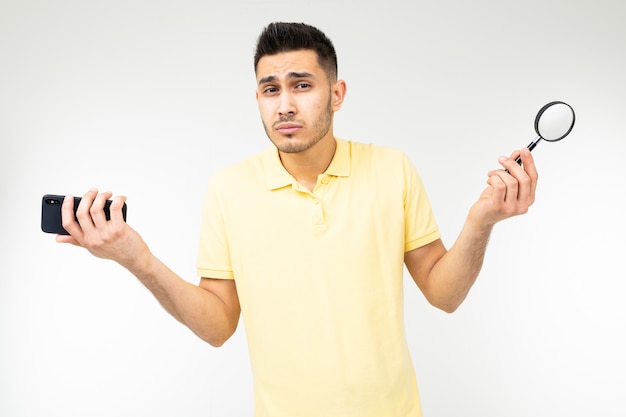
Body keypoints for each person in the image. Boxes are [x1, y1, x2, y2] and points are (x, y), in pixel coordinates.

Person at [57, 22, 537, 417]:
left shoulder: (392, 169)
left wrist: (482, 220)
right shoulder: (228, 188)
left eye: (301, 85)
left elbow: (443, 294)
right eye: (271, 89)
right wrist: (137, 260)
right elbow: (217, 326)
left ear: (337, 93)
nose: (284, 104)